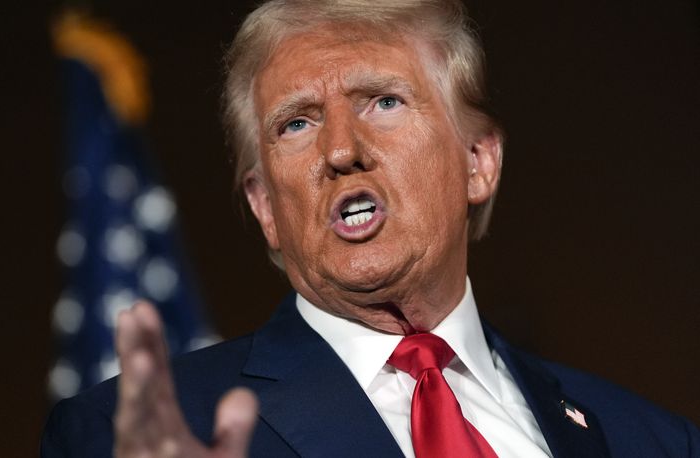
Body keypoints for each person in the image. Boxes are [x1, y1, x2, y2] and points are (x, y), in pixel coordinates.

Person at [41, 1, 700, 457]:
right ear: (266, 204)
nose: (340, 150)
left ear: (478, 162)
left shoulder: (650, 440)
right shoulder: (132, 432)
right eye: (296, 122)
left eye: (384, 102)